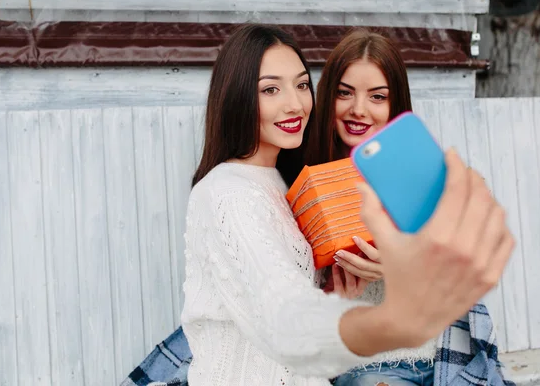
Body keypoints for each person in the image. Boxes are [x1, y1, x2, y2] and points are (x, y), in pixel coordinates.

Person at [179, 23, 514, 386]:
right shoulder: (295, 180)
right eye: (344, 93)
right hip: (359, 367)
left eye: (301, 85)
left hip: (425, 354)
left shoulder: (289, 176)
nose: (358, 110)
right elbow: (284, 305)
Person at [303, 29, 514, 385]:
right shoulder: (309, 183)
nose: (359, 109)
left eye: (377, 96)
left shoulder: (425, 172)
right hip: (367, 367)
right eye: (345, 93)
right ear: (328, 97)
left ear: (395, 103)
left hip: (445, 358)